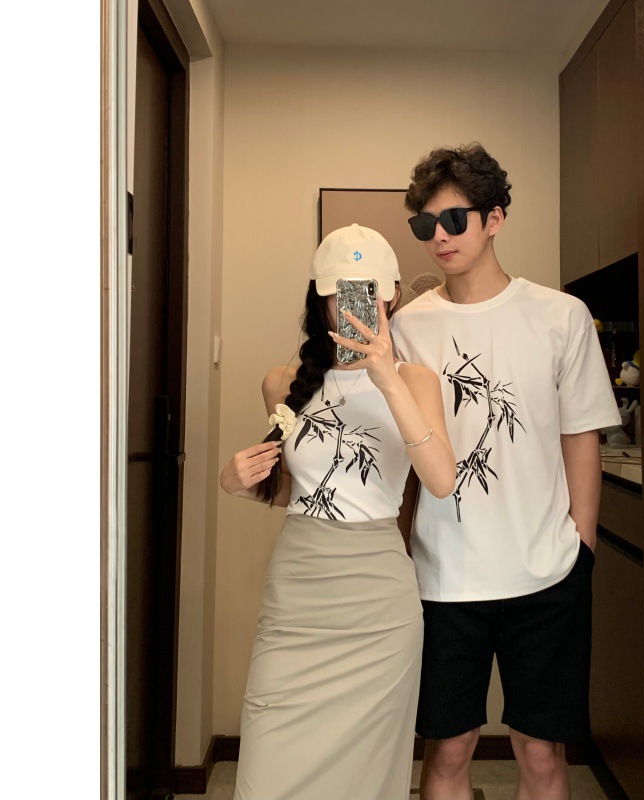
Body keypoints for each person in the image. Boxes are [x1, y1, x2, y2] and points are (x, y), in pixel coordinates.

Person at [390, 144, 621, 800]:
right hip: (443, 573)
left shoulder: (560, 316)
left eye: (453, 219)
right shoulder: (408, 327)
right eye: (425, 224)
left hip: (546, 571)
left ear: (495, 218)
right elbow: (402, 458)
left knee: (542, 756)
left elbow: (581, 436)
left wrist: (582, 545)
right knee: (448, 751)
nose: (439, 236)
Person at [220, 223, 456, 800]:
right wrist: (236, 482)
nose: (354, 306)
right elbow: (290, 490)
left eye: (367, 292)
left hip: (379, 604)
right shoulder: (282, 382)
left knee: (368, 780)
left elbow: (441, 480)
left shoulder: (416, 381)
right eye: (340, 292)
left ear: (390, 296)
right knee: (267, 774)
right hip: (298, 595)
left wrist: (388, 380)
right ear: (319, 297)